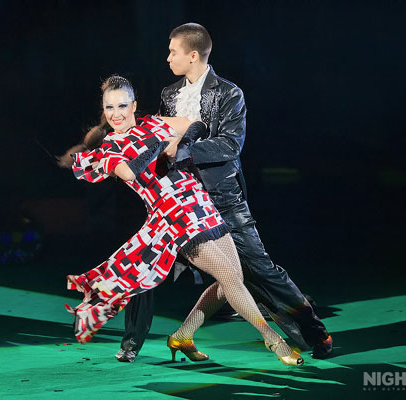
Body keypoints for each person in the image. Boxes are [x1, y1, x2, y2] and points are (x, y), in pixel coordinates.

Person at [118, 23, 333, 363]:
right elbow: (157, 137)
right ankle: (131, 343)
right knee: (144, 264)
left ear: (193, 55)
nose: (168, 58)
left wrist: (182, 149)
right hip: (180, 201)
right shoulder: (169, 95)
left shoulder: (230, 94)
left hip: (223, 199)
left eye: (173, 52)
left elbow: (230, 145)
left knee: (257, 269)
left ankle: (313, 332)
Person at [64, 74, 304, 366]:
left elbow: (197, 123)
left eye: (122, 106)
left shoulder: (153, 123)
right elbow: (128, 172)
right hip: (175, 218)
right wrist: (159, 144)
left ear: (134, 106)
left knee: (232, 279)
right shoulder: (110, 147)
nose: (116, 114)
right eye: (109, 107)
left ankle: (183, 336)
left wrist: (181, 139)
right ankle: (273, 340)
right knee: (230, 278)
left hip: (202, 205)